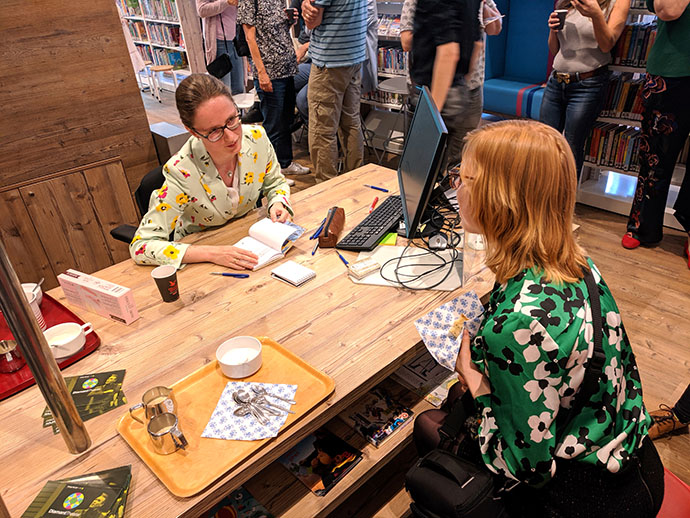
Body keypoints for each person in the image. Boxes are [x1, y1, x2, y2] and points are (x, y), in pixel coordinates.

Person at [413, 120, 664, 517]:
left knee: (429, 423)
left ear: (502, 199)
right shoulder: (578, 264)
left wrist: (474, 379)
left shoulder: (516, 324)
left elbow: (526, 467)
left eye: (463, 178)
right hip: (631, 454)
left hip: (590, 497)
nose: (454, 189)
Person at [129, 74, 293, 269]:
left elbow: (275, 183)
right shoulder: (181, 171)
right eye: (215, 131)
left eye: (232, 119)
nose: (231, 136)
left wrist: (278, 203)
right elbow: (141, 246)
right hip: (202, 260)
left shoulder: (256, 138)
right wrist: (211, 253)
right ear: (193, 131)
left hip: (251, 244)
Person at [622, 0, 690, 264]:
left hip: (670, 71)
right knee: (653, 157)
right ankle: (644, 225)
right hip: (670, 70)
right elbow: (669, 9)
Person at [401, 0, 502, 165]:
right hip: (439, 89)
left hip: (454, 90)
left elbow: (493, 30)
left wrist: (433, 113)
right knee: (444, 161)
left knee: (443, 160)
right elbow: (406, 41)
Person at [539, 0, 630, 178]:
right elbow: (555, 49)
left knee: (572, 146)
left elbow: (606, 45)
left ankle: (565, 202)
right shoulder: (567, 2)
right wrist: (552, 30)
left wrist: (596, 15)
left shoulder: (617, 2)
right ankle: (541, 198)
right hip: (556, 82)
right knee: (543, 143)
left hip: (587, 85)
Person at [238, 0, 310, 176]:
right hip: (270, 71)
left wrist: (288, 20)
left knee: (285, 120)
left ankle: (284, 163)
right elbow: (250, 38)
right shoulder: (249, 2)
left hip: (288, 68)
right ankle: (272, 173)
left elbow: (273, 30)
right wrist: (262, 73)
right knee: (273, 124)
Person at [302, 0, 367, 183]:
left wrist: (305, 5)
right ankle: (357, 180)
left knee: (322, 131)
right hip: (353, 56)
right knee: (351, 122)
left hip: (330, 60)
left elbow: (312, 20)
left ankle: (328, 188)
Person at [197, 0, 246, 95]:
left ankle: (237, 110)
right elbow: (201, 10)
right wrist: (226, 2)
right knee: (224, 89)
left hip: (236, 40)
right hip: (218, 42)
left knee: (239, 88)